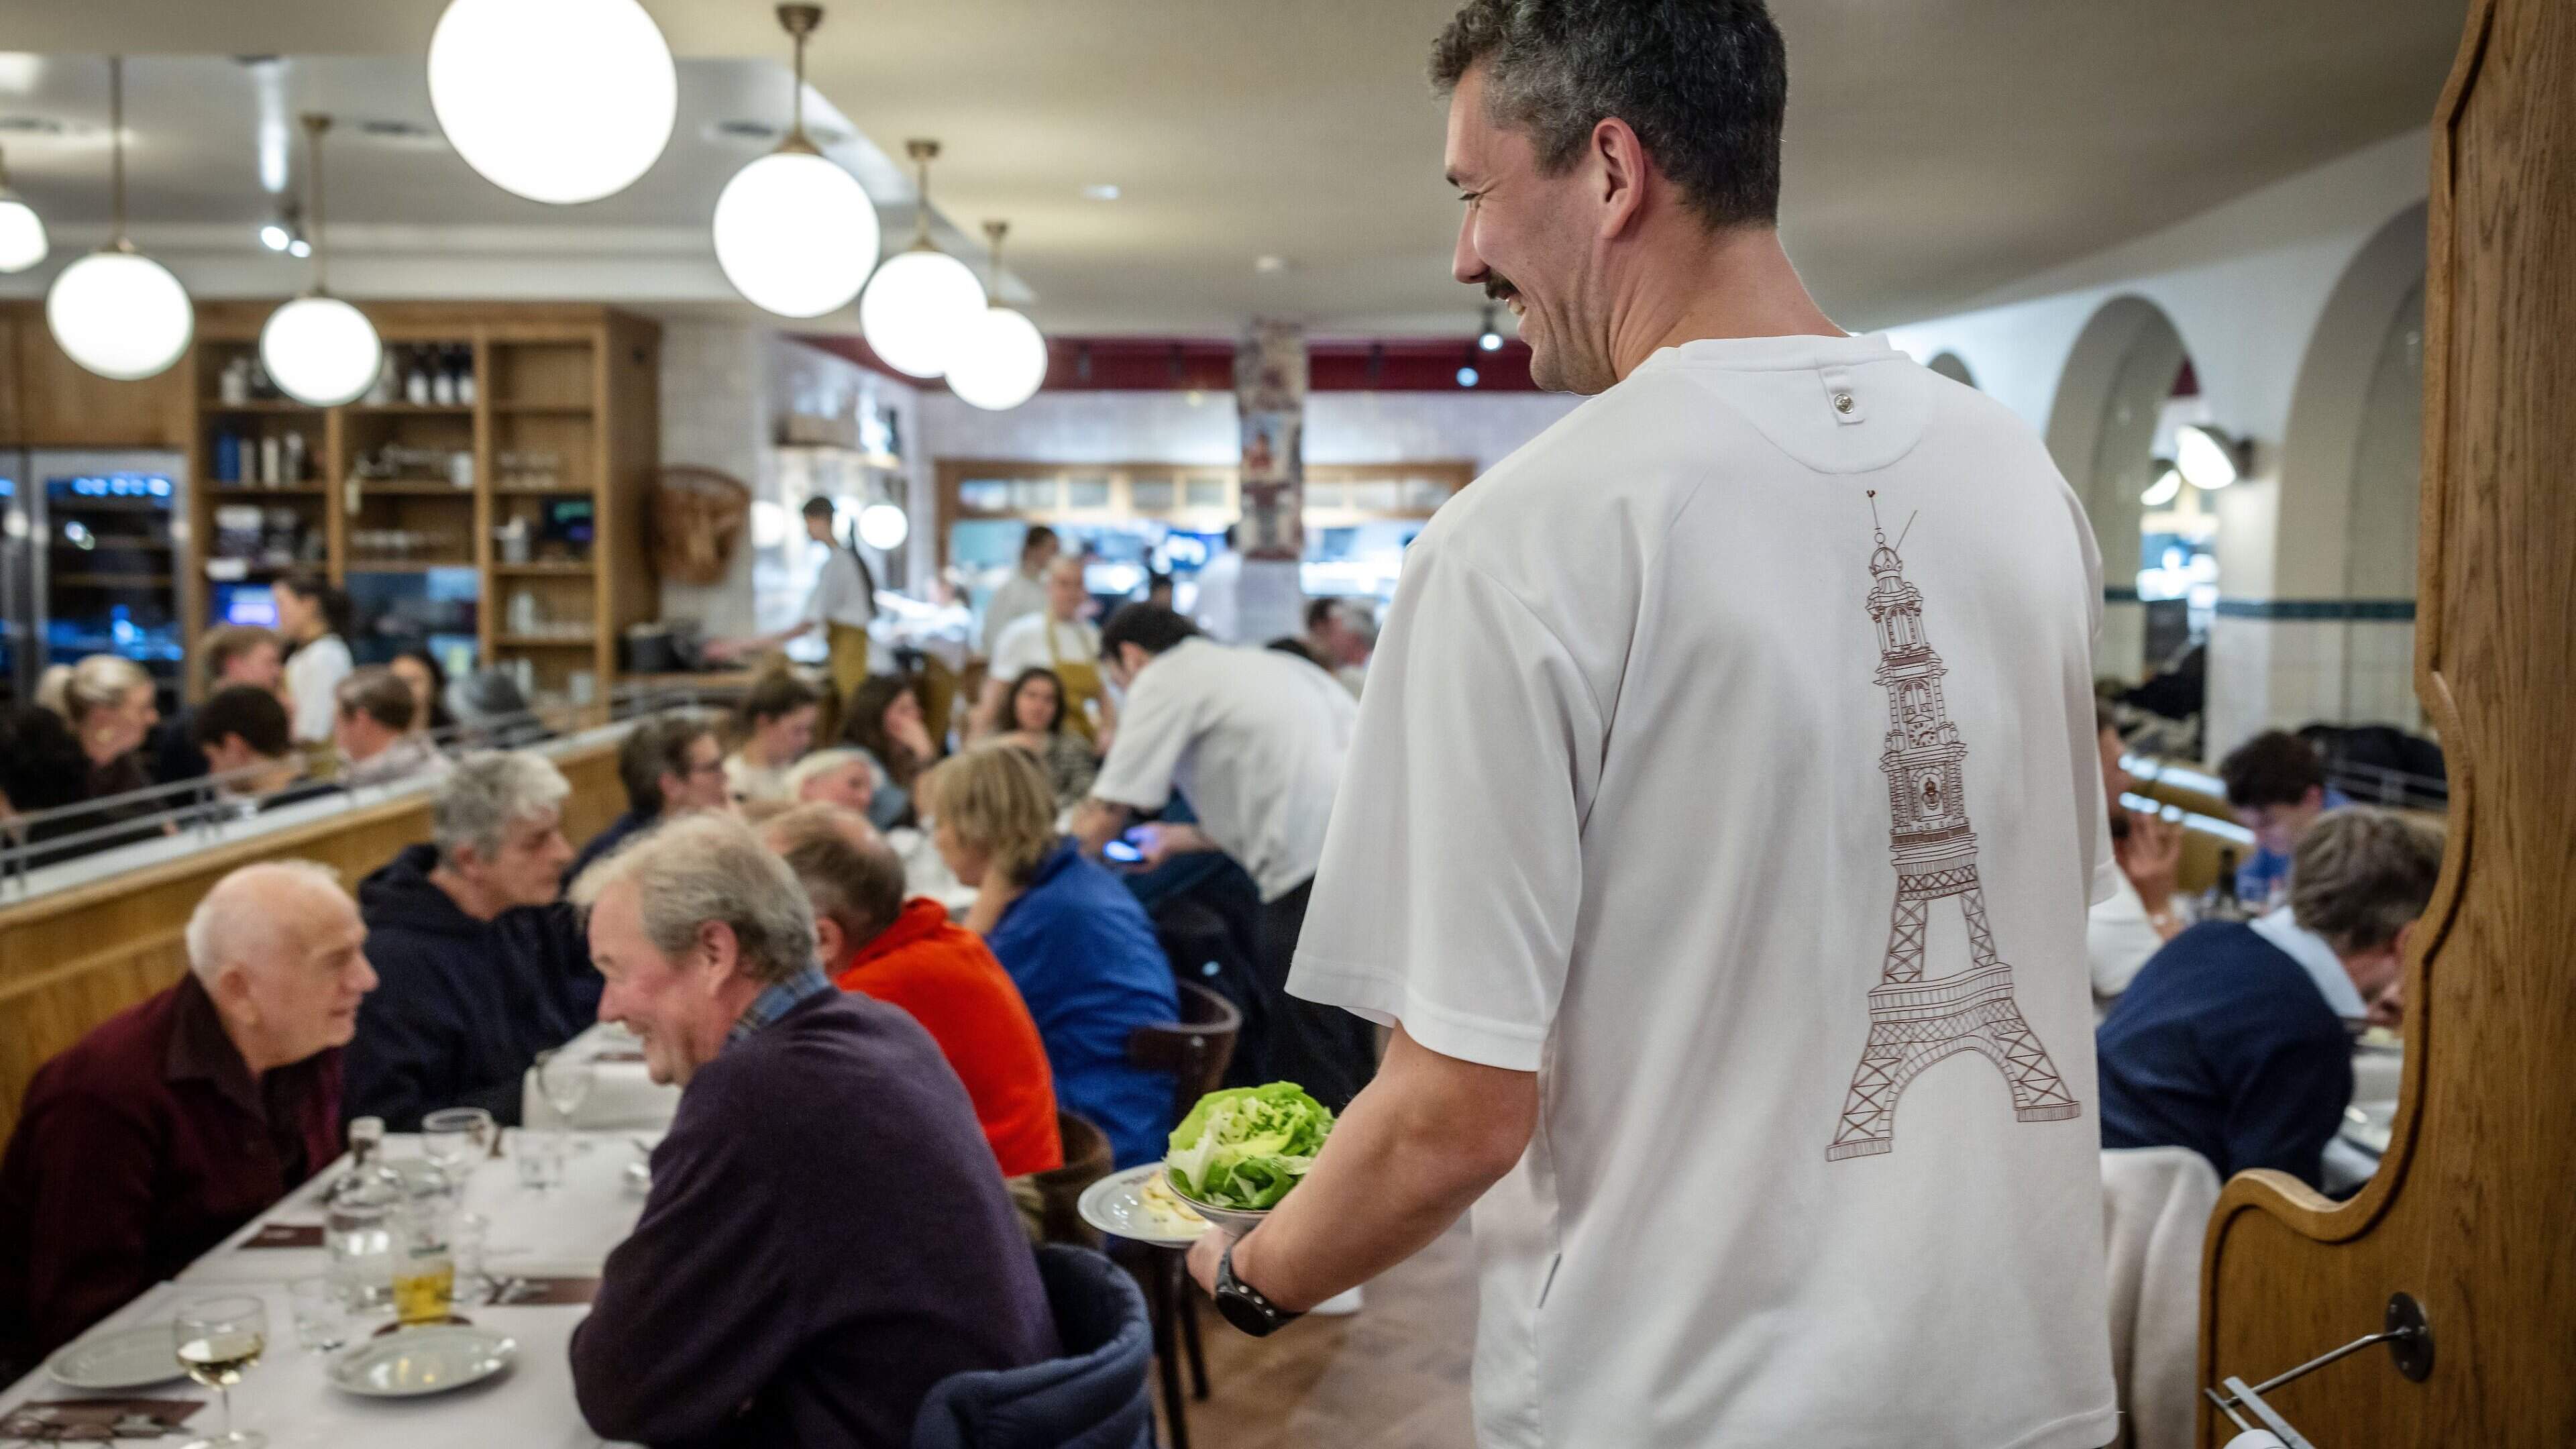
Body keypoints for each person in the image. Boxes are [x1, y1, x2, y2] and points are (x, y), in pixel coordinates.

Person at [1182, 9, 2121, 1448]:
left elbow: (1453, 1116)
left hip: (1683, 1398)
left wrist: (1251, 1276)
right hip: (2023, 1384)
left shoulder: (1522, 537)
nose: (1464, 257)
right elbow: (2065, 917)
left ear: (1612, 171)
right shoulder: (2022, 479)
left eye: (1471, 193)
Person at [568, 813, 1057, 1448]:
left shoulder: (760, 1098)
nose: (608, 1010)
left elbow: (619, 1389)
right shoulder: (881, 1027)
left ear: (715, 953)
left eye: (615, 970)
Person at [0, 862, 374, 1366]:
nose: (366, 979)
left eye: (360, 951)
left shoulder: (305, 1042)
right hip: (139, 1378)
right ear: (240, 991)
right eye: (336, 962)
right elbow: (80, 1324)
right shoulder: (104, 1097)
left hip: (267, 1330)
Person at [1073, 604, 1368, 1111]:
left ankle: (1326, 1184)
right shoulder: (1262, 667)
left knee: (1308, 1052)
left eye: (1118, 684)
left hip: (1308, 873)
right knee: (1356, 1039)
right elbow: (1273, 793)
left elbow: (1105, 813)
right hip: (1370, 854)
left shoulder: (1164, 676)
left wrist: (1025, 872)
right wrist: (1173, 839)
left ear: (1131, 656)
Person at [2098, 808, 2440, 1188]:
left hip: (2084, 1186)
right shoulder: (2305, 1031)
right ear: (2409, 939)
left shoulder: (2203, 940)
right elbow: (2274, 1215)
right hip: (2163, 1225)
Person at [765, 802, 1062, 1179]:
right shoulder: (946, 940)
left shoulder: (864, 1001)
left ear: (822, 938)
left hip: (1006, 1212)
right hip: (1019, 1186)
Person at [924, 745, 1177, 1169]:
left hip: (1098, 1131)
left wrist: (983, 914)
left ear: (977, 825)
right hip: (1112, 1100)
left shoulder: (1051, 914)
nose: (937, 839)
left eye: (943, 822)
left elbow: (950, 1019)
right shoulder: (1063, 882)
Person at [345, 751, 592, 1129]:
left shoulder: (523, 911)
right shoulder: (392, 962)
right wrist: (540, 1094)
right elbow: (392, 1121)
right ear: (470, 860)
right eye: (536, 842)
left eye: (558, 833)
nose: (564, 853)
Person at [706, 496, 881, 698]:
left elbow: (806, 624)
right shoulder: (840, 559)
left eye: (808, 523)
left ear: (822, 520)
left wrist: (740, 645)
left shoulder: (838, 563)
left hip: (855, 654)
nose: (807, 531)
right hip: (848, 652)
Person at [2090, 705, 2186, 1013]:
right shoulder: (2099, 891)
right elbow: (2180, 995)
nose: (2129, 781)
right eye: (2118, 765)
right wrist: (2158, 906)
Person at [568, 713, 727, 884]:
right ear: (671, 786)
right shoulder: (617, 862)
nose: (726, 776)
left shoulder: (698, 833)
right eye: (713, 768)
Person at [975, 556, 1112, 746]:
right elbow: (993, 700)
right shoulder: (1021, 633)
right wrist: (975, 746)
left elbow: (1104, 697)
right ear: (1048, 587)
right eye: (1064, 584)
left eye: (1078, 585)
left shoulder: (1092, 636)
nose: (1072, 593)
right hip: (1032, 747)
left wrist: (1107, 731)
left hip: (1082, 745)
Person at [2219, 729, 2353, 912]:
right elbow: (2240, 892)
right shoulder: (2280, 840)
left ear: (2312, 799)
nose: (2257, 840)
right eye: (2251, 827)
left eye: (2267, 823)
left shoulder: (2354, 849)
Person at [153, 625, 284, 786]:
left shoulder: (254, 720)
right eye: (270, 662)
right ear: (234, 665)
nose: (278, 672)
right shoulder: (192, 727)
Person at [37, 654, 160, 814]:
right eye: (143, 709)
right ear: (102, 715)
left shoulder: (122, 763)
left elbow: (165, 827)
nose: (154, 719)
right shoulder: (50, 772)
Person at [194, 685, 337, 814]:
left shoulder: (268, 830)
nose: (212, 771)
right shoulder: (337, 798)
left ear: (235, 747)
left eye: (212, 758)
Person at [987, 667, 1099, 810]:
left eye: (1049, 699)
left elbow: (1084, 795)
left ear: (1057, 707)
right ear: (1014, 698)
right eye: (1031, 695)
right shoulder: (992, 745)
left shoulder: (1073, 746)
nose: (1039, 706)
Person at [840, 674, 942, 828]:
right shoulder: (856, 759)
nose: (917, 715)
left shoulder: (900, 759)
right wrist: (925, 753)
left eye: (915, 706)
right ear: (876, 716)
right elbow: (910, 815)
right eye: (904, 709)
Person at [274, 574, 354, 746]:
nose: (278, 615)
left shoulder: (326, 654)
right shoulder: (303, 654)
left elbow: (314, 730)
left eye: (281, 604)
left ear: (309, 605)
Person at [722, 669, 822, 809]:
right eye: (797, 730)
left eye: (809, 730)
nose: (807, 740)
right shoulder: (731, 779)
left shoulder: (804, 771)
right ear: (764, 723)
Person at [335, 667, 448, 788]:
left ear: (361, 721)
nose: (335, 729)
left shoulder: (434, 779)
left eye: (338, 719)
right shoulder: (434, 764)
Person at [980, 523, 1059, 659]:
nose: (1056, 556)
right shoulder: (1009, 589)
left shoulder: (1047, 587)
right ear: (1033, 550)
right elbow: (994, 636)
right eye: (1052, 549)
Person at [1189, 525, 1244, 643]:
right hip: (1240, 642)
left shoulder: (1209, 568)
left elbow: (1194, 612)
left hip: (1211, 641)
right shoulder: (1243, 567)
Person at [389, 646, 458, 736]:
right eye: (396, 681)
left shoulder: (456, 734)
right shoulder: (378, 739)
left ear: (435, 685)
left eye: (412, 680)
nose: (403, 688)